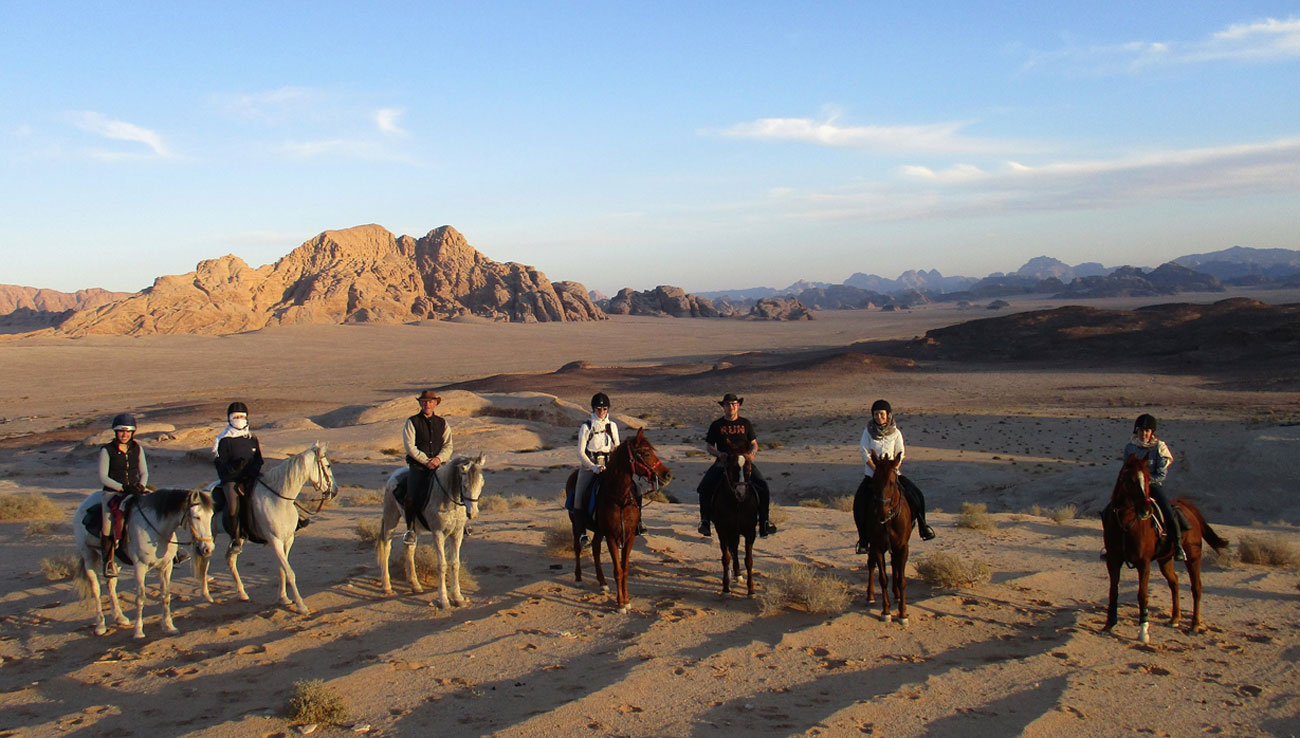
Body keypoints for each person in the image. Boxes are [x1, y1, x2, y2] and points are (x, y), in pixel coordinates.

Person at [856, 399, 935, 552]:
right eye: (876, 414)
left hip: (893, 475)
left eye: (882, 414)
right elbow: (864, 453)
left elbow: (900, 452)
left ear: (888, 415)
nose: (879, 417)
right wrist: (877, 470)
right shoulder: (867, 432)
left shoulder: (896, 433)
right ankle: (863, 540)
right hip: (872, 476)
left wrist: (892, 470)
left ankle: (923, 527)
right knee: (859, 502)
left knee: (917, 495)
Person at [697, 393, 777, 538]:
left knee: (763, 486)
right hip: (724, 462)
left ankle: (765, 523)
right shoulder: (717, 425)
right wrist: (719, 454)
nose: (731, 407)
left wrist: (751, 455)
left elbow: (754, 444)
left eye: (734, 404)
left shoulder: (746, 424)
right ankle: (705, 522)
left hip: (743, 462)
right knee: (705, 487)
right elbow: (709, 446)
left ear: (738, 406)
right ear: (724, 407)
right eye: (728, 404)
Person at [1124, 413, 1183, 561]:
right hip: (1133, 487)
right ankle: (1111, 546)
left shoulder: (1159, 448)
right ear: (1136, 431)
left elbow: (1161, 474)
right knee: (1113, 509)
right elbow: (1125, 469)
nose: (1144, 434)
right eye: (1141, 431)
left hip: (1153, 486)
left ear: (1152, 433)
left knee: (1168, 511)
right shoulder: (1130, 447)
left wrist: (1146, 482)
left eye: (1147, 431)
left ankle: (1178, 546)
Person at [567, 392, 621, 546]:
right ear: (593, 409)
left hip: (609, 465)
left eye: (604, 409)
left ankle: (636, 523)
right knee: (579, 497)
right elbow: (580, 452)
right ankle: (582, 532)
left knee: (632, 488)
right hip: (589, 466)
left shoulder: (613, 426)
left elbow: (616, 447)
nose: (602, 412)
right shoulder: (586, 427)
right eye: (598, 409)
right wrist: (592, 467)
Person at [98, 413, 149, 577]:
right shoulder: (107, 450)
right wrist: (122, 488)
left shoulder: (138, 449)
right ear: (115, 432)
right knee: (108, 524)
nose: (125, 435)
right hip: (113, 493)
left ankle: (173, 552)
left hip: (136, 488)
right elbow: (103, 476)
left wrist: (141, 486)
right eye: (121, 431)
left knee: (160, 506)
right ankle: (108, 562)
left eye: (128, 432)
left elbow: (144, 472)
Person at [402, 390, 454, 545]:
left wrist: (439, 459)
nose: (427, 404)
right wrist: (426, 461)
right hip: (419, 467)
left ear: (435, 403)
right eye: (424, 401)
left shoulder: (442, 423)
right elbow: (409, 446)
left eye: (430, 402)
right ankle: (410, 530)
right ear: (420, 403)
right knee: (411, 495)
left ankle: (460, 525)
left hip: (440, 466)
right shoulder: (412, 422)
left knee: (456, 490)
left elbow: (448, 445)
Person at [213, 401, 263, 551]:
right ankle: (235, 539)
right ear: (229, 418)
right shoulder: (223, 440)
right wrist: (236, 467)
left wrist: (251, 472)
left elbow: (259, 459)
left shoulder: (252, 438)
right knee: (233, 506)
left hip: (252, 477)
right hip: (232, 480)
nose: (239, 419)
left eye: (242, 416)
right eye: (236, 416)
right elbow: (220, 466)